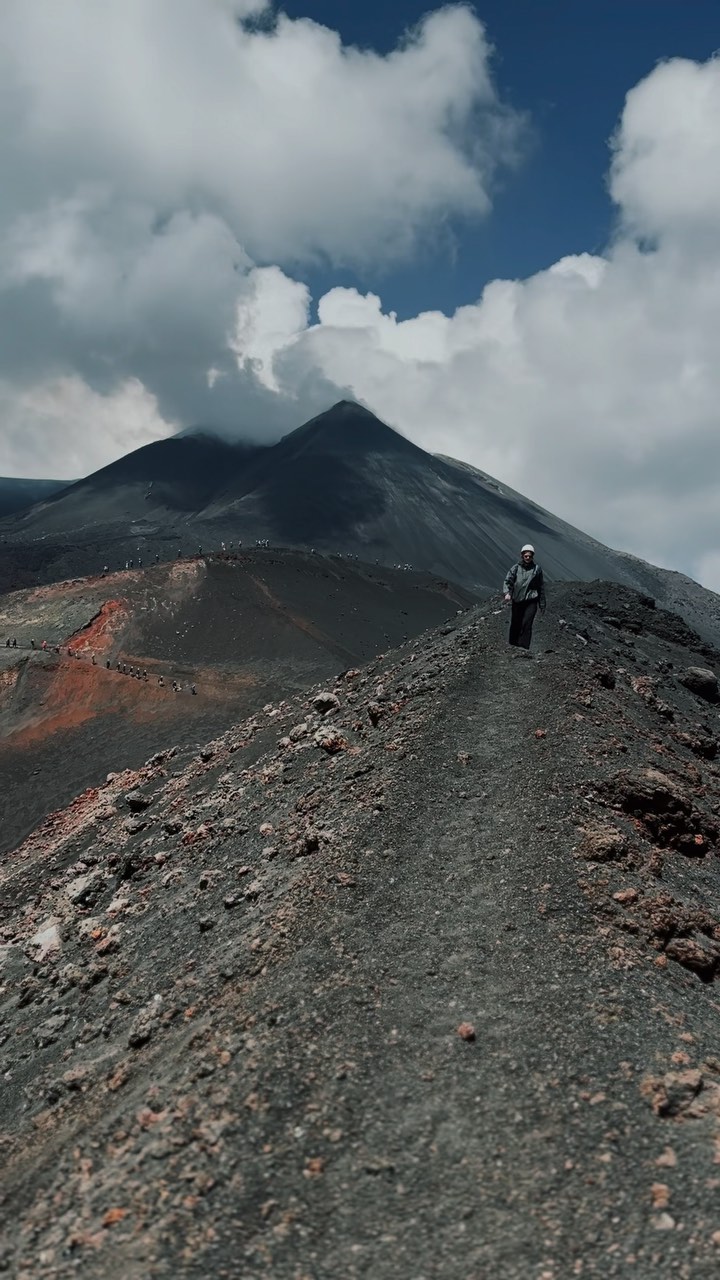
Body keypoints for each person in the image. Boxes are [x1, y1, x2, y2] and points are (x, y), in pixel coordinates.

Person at [503, 544, 546, 649]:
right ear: (522, 556)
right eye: (526, 556)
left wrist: (542, 604)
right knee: (515, 622)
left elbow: (541, 586)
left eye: (530, 556)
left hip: (531, 600)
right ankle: (513, 645)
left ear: (532, 557)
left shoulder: (537, 569)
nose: (528, 558)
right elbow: (508, 581)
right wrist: (507, 593)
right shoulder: (516, 568)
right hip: (517, 600)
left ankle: (524, 647)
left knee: (527, 624)